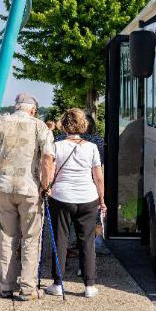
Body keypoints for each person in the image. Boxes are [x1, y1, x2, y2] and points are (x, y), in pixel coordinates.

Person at [0, 93, 55, 300]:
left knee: (6, 237)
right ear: (32, 110)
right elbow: (48, 158)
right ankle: (27, 287)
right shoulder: (39, 126)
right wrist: (45, 185)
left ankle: (5, 285)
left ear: (16, 107)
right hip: (30, 188)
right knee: (30, 238)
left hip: (3, 186)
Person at [46, 109, 105, 298]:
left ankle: (58, 283)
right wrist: (101, 199)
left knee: (60, 239)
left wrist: (46, 188)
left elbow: (51, 171)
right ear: (83, 125)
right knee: (86, 241)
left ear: (63, 125)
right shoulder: (92, 147)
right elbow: (98, 177)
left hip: (62, 196)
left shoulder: (57, 146)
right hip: (88, 197)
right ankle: (89, 285)